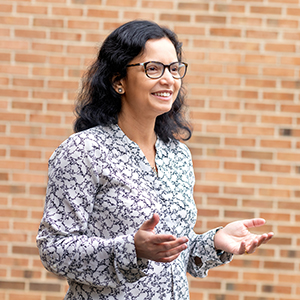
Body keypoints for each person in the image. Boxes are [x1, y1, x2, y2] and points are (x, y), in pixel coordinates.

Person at [36, 20, 274, 300]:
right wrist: (131, 250)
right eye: (153, 68)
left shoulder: (178, 155)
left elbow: (170, 256)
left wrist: (214, 242)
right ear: (118, 80)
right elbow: (54, 249)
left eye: (174, 69)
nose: (169, 79)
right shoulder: (83, 151)